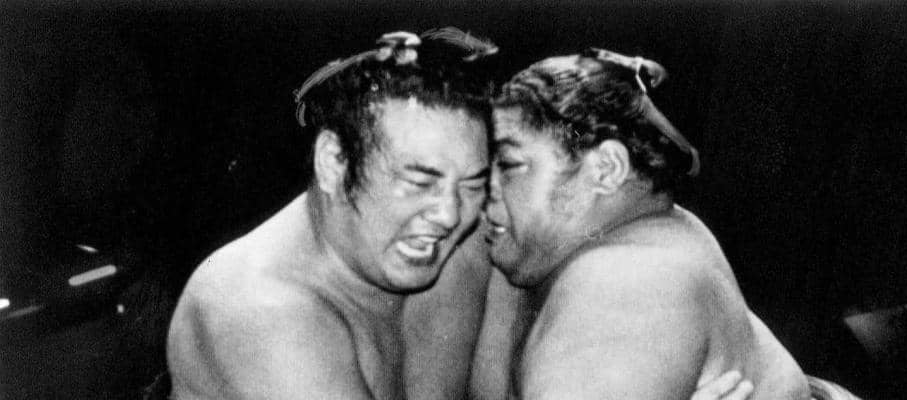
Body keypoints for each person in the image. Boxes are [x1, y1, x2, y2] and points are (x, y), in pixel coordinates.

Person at [167, 29, 753, 400]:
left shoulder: (463, 246)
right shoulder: (259, 313)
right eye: (418, 181)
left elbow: (634, 250)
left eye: (474, 182)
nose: (449, 213)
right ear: (333, 163)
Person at [474, 48, 811, 399]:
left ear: (606, 169)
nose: (484, 185)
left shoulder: (623, 280)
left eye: (509, 164)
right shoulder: (658, 235)